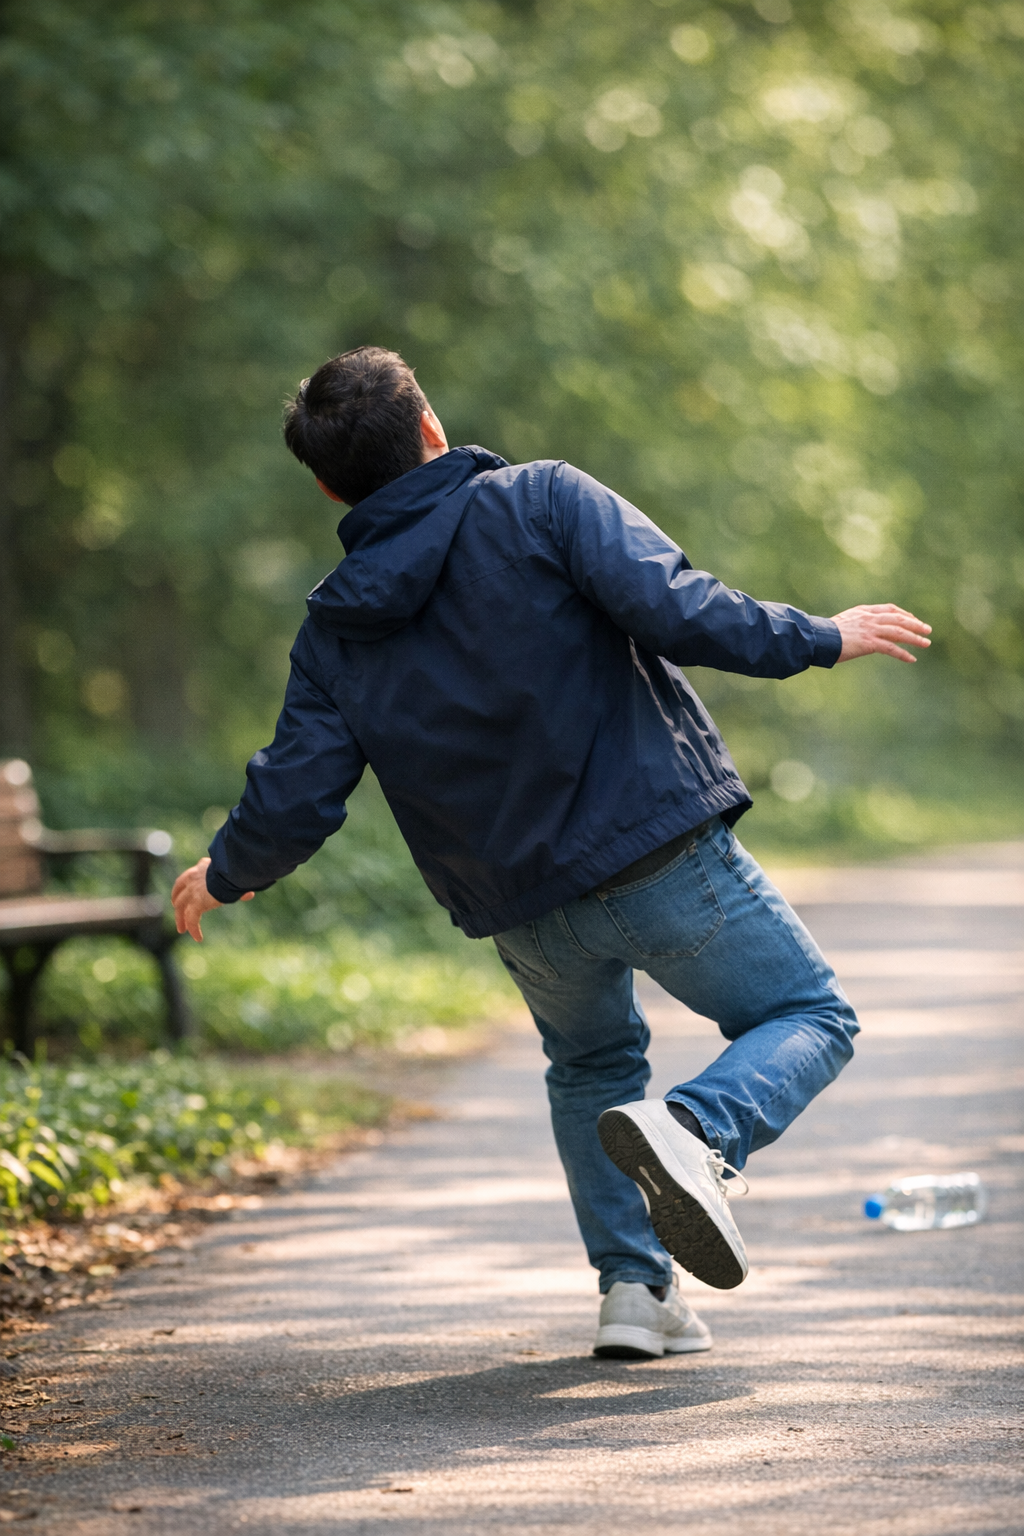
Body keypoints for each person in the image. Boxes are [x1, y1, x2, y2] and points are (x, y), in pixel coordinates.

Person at [172, 346, 931, 1361]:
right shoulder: (542, 501)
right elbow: (681, 607)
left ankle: (635, 1294)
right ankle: (699, 1133)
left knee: (589, 1068)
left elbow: (299, 786)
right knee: (809, 1014)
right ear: (431, 427)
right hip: (653, 852)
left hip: (522, 907)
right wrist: (819, 635)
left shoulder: (334, 626)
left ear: (326, 486)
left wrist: (228, 871)